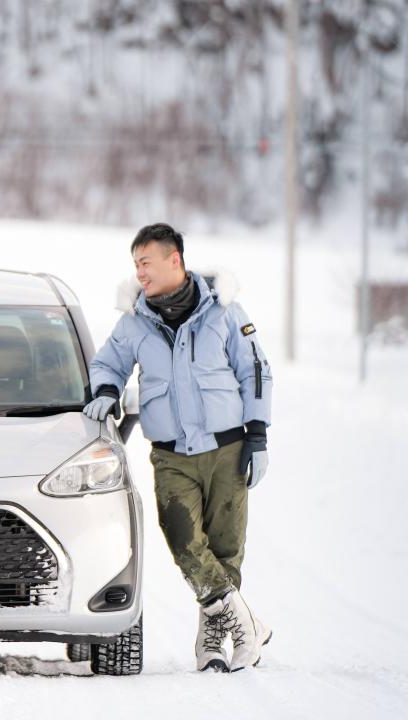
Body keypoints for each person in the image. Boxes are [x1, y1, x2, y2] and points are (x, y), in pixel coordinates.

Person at [84, 223, 273, 673]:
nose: (140, 274)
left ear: (175, 260)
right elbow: (106, 362)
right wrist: (108, 390)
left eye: (146, 263)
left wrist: (259, 433)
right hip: (171, 455)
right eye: (135, 266)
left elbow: (256, 370)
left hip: (227, 448)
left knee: (226, 548)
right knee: (184, 540)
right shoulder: (134, 321)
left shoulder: (224, 312)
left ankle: (212, 641)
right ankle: (249, 627)